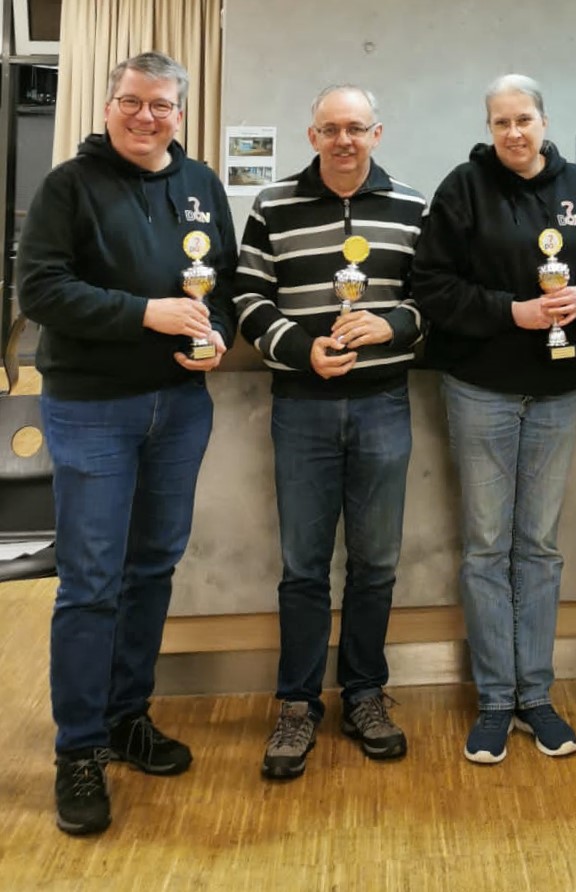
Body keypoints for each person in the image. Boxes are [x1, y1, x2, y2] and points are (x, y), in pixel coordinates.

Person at [16, 51, 236, 835]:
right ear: (109, 105)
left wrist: (216, 336)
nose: (146, 116)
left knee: (151, 569)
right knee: (90, 581)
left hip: (179, 406)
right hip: (91, 409)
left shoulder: (202, 185)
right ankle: (78, 750)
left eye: (161, 104)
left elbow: (224, 286)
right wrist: (145, 313)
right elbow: (41, 289)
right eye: (132, 101)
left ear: (182, 113)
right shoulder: (69, 186)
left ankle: (126, 717)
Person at [412, 74, 576, 764]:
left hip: (557, 390)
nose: (513, 132)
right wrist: (513, 312)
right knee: (486, 546)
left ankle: (537, 695)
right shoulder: (462, 188)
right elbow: (432, 285)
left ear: (544, 121)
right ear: (489, 127)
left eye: (523, 119)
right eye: (501, 122)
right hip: (482, 390)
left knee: (539, 547)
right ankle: (496, 699)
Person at [234, 85, 425, 780]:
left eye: (356, 128)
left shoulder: (413, 207)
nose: (344, 140)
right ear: (311, 136)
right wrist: (299, 347)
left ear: (377, 133)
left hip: (382, 403)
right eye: (330, 128)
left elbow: (431, 298)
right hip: (302, 406)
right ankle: (297, 702)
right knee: (303, 567)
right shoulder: (273, 205)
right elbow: (247, 295)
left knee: (376, 563)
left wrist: (391, 326)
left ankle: (365, 694)